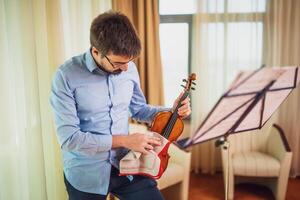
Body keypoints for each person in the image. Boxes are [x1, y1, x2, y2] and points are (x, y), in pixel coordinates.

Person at [50, 11, 191, 200]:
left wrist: (172, 111)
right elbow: (70, 140)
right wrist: (126, 140)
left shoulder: (127, 66)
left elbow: (139, 109)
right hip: (86, 175)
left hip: (127, 166)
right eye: (118, 63)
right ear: (95, 51)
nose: (126, 68)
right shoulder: (66, 76)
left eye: (129, 61)